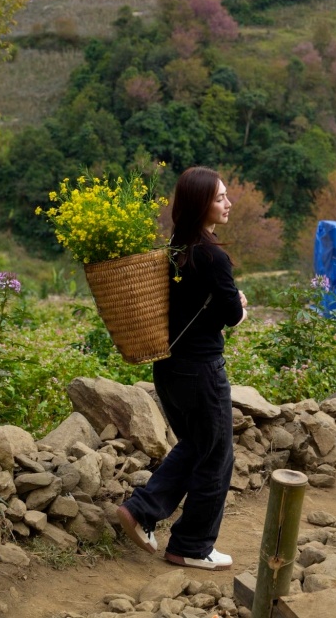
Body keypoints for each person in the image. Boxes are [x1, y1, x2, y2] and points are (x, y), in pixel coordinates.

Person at [117, 167, 247, 571]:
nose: (228, 203)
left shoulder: (176, 248)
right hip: (202, 371)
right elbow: (229, 315)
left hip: (169, 367)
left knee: (196, 446)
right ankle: (188, 543)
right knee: (217, 457)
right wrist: (240, 304)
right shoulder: (213, 255)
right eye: (220, 197)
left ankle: (147, 513)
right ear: (200, 204)